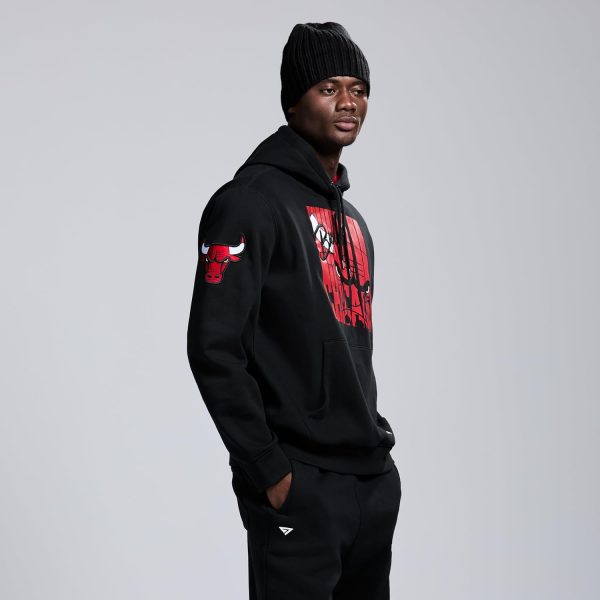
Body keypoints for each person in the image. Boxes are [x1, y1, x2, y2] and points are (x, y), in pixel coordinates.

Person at [187, 21, 401, 600]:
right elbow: (213, 348)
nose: (348, 102)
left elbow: (351, 353)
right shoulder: (248, 204)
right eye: (328, 88)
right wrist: (270, 471)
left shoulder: (354, 223)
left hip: (369, 483)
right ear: (293, 101)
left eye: (358, 89)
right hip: (299, 486)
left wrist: (381, 475)